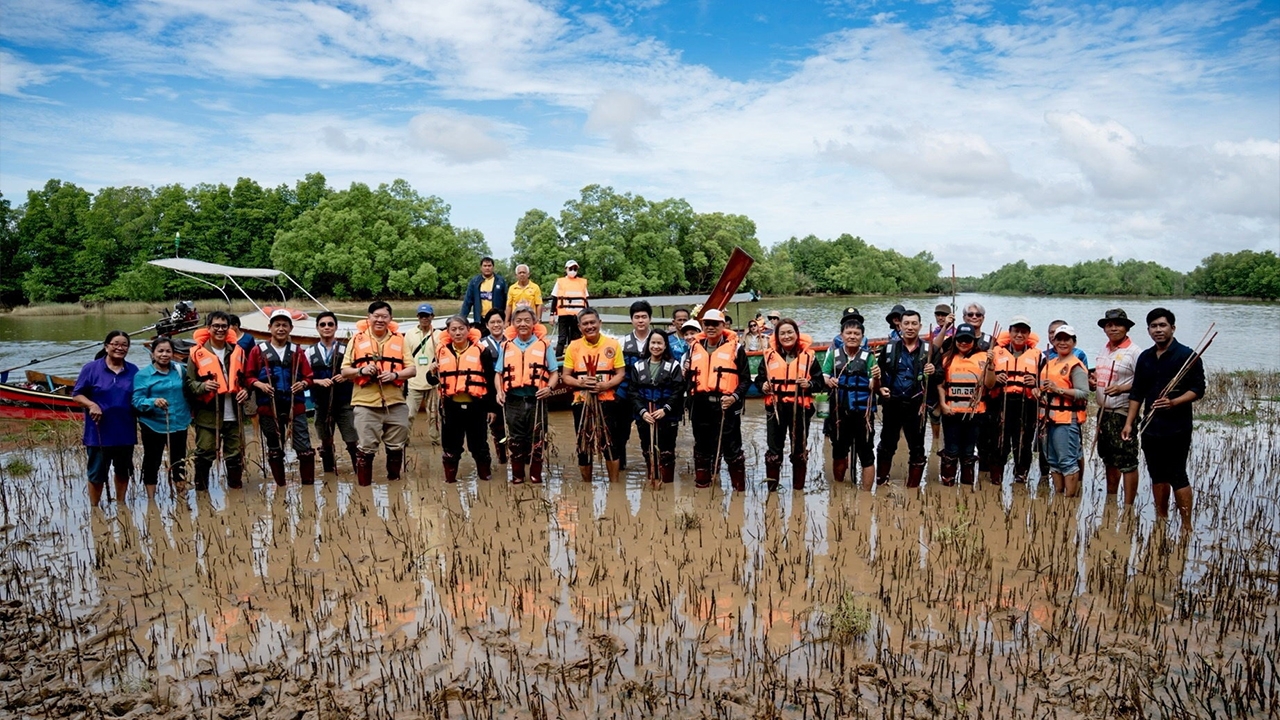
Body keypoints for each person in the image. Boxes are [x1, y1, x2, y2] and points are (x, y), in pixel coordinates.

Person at [1123, 308, 1205, 527]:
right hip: (1150, 426)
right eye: (1153, 326)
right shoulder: (1145, 357)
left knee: (1177, 474)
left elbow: (1198, 389)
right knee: (1157, 474)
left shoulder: (1187, 355)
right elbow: (1137, 392)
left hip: (1177, 426)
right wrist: (1130, 422)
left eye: (1162, 325)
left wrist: (1173, 402)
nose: (1158, 330)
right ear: (1148, 330)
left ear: (1172, 328)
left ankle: (1186, 525)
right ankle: (1162, 520)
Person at [341, 301, 416, 486]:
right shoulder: (356, 340)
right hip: (366, 403)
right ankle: (365, 490)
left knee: (396, 447)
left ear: (390, 319)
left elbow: (412, 369)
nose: (380, 320)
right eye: (376, 316)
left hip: (395, 402)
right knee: (366, 449)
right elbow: (344, 371)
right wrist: (361, 371)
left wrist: (395, 374)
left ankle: (394, 486)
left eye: (384, 316)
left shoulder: (400, 339)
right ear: (369, 318)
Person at [246, 310, 315, 486]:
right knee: (275, 449)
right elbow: (248, 377)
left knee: (305, 449)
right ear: (270, 327)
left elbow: (309, 377)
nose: (281, 328)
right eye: (277, 325)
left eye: (285, 325)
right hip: (268, 407)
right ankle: (281, 486)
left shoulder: (298, 351)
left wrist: (304, 384)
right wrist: (258, 384)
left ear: (291, 328)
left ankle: (308, 488)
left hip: (295, 407)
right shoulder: (258, 351)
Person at [684, 308, 751, 491]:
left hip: (725, 405)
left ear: (723, 325)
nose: (711, 327)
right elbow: (689, 379)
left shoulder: (736, 348)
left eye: (715, 323)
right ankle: (703, 486)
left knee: (732, 449)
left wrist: (734, 397)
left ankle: (739, 493)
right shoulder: (694, 347)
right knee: (702, 447)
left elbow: (745, 380)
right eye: (707, 323)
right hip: (700, 406)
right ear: (703, 325)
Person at [755, 318, 824, 492]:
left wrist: (809, 385)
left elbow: (819, 382)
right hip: (775, 409)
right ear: (777, 337)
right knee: (773, 452)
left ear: (797, 334)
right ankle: (772, 490)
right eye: (782, 333)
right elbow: (759, 380)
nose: (786, 336)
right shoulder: (769, 356)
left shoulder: (809, 357)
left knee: (799, 451)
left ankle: (798, 492)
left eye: (790, 332)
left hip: (799, 410)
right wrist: (762, 386)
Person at [73, 331, 139, 506]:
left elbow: (139, 396)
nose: (120, 348)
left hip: (125, 430)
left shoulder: (133, 370)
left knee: (123, 471)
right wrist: (92, 405)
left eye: (124, 344)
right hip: (98, 431)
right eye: (115, 343)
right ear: (106, 346)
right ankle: (95, 509)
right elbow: (77, 394)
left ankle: (121, 505)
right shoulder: (91, 368)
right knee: (96, 473)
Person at [495, 305, 559, 483]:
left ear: (534, 323)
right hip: (513, 400)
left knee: (537, 438)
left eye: (527, 320)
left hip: (537, 400)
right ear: (513, 323)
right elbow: (498, 373)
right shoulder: (506, 346)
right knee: (515, 440)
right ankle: (517, 477)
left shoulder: (544, 346)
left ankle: (536, 476)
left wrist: (550, 388)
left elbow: (554, 373)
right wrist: (499, 391)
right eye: (519, 320)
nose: (523, 324)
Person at [185, 312, 248, 491]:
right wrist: (203, 387)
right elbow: (189, 383)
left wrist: (245, 391)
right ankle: (202, 492)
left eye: (223, 326)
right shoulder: (196, 354)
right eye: (216, 326)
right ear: (209, 328)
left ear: (229, 328)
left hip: (233, 413)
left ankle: (235, 490)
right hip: (208, 414)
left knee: (235, 454)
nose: (220, 329)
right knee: (205, 452)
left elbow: (245, 380)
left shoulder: (237, 351)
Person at [562, 308, 626, 483]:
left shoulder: (612, 345)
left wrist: (606, 385)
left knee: (610, 445)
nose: (589, 326)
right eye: (585, 324)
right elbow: (566, 376)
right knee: (584, 446)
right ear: (579, 326)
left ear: (600, 323)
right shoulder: (573, 347)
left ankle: (614, 486)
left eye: (592, 322)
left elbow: (621, 373)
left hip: (607, 401)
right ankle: (587, 486)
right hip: (582, 402)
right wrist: (581, 383)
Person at [875, 310, 934, 488]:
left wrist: (933, 371)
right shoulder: (889, 348)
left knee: (917, 448)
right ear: (899, 325)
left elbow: (940, 378)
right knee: (886, 444)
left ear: (920, 326)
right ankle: (882, 482)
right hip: (892, 404)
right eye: (906, 323)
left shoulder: (929, 350)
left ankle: (913, 488)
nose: (910, 327)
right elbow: (879, 375)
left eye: (914, 323)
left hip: (917, 406)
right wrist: (881, 390)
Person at [435, 315, 496, 483]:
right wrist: (431, 372)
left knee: (479, 445)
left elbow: (490, 381)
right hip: (451, 406)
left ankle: (485, 477)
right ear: (448, 332)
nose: (458, 332)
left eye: (461, 328)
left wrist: (492, 408)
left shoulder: (482, 351)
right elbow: (432, 380)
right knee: (451, 446)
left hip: (476, 406)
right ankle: (450, 479)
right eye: (453, 329)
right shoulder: (441, 350)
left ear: (468, 330)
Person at [823, 318, 880, 489]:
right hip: (840, 413)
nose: (852, 337)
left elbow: (874, 386)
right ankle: (839, 489)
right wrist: (829, 381)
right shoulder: (834, 355)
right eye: (849, 333)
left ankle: (866, 495)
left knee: (866, 454)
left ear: (862, 337)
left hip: (863, 414)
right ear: (842, 335)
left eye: (857, 334)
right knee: (839, 452)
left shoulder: (869, 358)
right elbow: (825, 376)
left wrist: (877, 377)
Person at [131, 336, 191, 498]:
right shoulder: (143, 375)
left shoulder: (180, 370)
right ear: (152, 353)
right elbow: (136, 401)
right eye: (160, 351)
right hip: (153, 425)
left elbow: (188, 391)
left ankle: (181, 495)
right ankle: (151, 499)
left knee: (179, 461)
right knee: (152, 461)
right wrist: (153, 401)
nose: (164, 354)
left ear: (173, 353)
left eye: (168, 351)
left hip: (179, 422)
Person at [937, 323, 996, 486]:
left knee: (969, 452)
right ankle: (948, 484)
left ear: (973, 341)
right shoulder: (947, 359)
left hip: (975, 414)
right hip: (951, 412)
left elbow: (990, 385)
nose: (964, 343)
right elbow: (940, 385)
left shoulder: (984, 357)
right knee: (951, 451)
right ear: (955, 340)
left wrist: (991, 366)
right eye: (960, 339)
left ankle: (967, 485)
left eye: (968, 340)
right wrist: (943, 404)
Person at [1094, 308, 1141, 505]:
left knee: (1127, 460)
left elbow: (1142, 384)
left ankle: (1129, 504)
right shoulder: (1105, 349)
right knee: (1108, 456)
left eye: (1117, 325)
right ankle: (1111, 498)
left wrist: (1122, 388)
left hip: (1122, 413)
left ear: (1126, 328)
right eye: (1109, 325)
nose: (1113, 328)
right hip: (1103, 412)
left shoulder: (1135, 352)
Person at [987, 316, 1042, 485]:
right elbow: (988, 383)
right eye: (1016, 331)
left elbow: (1044, 383)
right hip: (1001, 402)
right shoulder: (996, 352)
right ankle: (996, 474)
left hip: (1026, 404)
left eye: (1023, 331)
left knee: (1024, 441)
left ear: (1028, 334)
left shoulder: (1038, 355)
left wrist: (1035, 383)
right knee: (999, 440)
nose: (1019, 334)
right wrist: (996, 376)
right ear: (1009, 332)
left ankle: (1021, 473)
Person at [627, 330, 685, 485]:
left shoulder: (674, 366)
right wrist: (642, 411)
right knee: (648, 450)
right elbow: (632, 391)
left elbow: (678, 390)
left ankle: (667, 485)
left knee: (666, 452)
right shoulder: (638, 366)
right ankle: (652, 479)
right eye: (653, 343)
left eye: (659, 343)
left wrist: (665, 409)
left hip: (666, 415)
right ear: (648, 345)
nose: (656, 346)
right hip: (645, 415)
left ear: (665, 345)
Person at [1039, 325, 1089, 497]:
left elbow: (1083, 393)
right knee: (1052, 461)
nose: (1062, 343)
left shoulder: (1075, 365)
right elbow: (1043, 389)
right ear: (1053, 341)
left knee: (1067, 462)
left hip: (1066, 420)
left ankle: (1069, 501)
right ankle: (1058, 495)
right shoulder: (1049, 363)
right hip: (1048, 419)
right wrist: (1038, 392)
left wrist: (1058, 389)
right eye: (1058, 339)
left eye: (1066, 339)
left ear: (1074, 342)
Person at [308, 311, 359, 473]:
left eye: (330, 324)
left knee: (352, 440)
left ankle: (360, 473)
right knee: (326, 440)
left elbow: (359, 372)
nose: (327, 327)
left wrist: (347, 377)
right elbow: (302, 379)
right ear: (317, 328)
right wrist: (317, 381)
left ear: (336, 327)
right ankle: (329, 474)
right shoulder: (309, 352)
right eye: (322, 324)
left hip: (345, 403)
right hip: (321, 404)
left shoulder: (347, 349)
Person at [618, 300, 657, 471]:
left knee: (649, 434)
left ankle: (653, 468)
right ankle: (620, 467)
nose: (640, 320)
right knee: (621, 433)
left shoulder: (657, 341)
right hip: (626, 393)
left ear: (650, 318)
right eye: (637, 317)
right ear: (631, 320)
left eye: (644, 317)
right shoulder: (622, 342)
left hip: (649, 394)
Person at [403, 303, 442, 444]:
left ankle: (436, 441)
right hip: (414, 382)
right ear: (417, 317)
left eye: (427, 316)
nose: (424, 318)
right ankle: (404, 440)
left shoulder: (438, 335)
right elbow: (405, 357)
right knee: (409, 414)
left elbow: (442, 356)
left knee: (434, 415)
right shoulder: (409, 334)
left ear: (433, 317)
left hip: (433, 383)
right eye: (421, 316)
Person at [480, 308, 509, 464]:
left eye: (499, 322)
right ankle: (502, 460)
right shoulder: (481, 345)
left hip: (511, 391)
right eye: (492, 322)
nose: (496, 325)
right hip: (490, 393)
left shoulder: (512, 343)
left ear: (504, 323)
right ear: (487, 325)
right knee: (498, 430)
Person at [551, 260, 589, 355]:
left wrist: (588, 314)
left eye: (575, 269)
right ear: (566, 269)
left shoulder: (582, 282)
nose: (573, 270)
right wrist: (552, 314)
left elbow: (585, 300)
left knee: (576, 338)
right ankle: (558, 359)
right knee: (562, 338)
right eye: (570, 268)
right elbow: (555, 299)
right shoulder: (560, 282)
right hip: (564, 315)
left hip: (578, 316)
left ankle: (575, 357)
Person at [460, 256, 509, 327]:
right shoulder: (474, 282)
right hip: (480, 320)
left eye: (489, 266)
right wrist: (461, 320)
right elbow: (467, 302)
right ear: (481, 268)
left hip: (496, 320)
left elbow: (507, 302)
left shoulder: (501, 281)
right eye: (485, 266)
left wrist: (507, 320)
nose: (487, 268)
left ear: (493, 267)